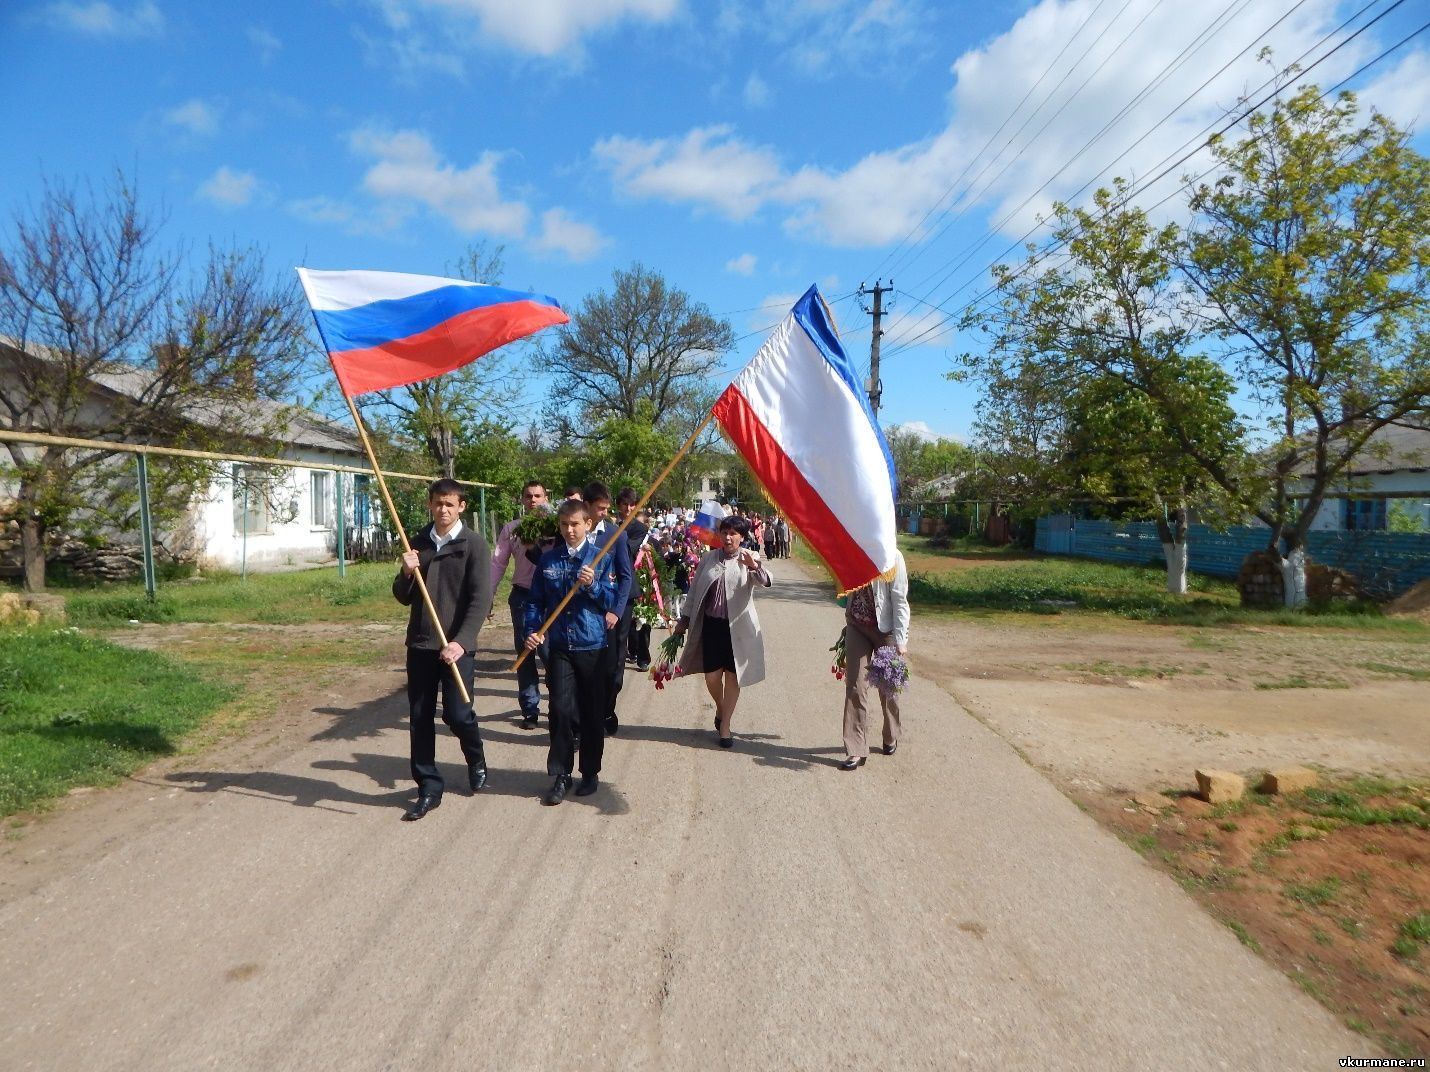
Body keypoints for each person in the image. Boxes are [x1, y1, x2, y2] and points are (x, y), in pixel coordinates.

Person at [393, 478, 493, 821]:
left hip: (456, 647)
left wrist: (461, 642)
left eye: (450, 504)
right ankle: (429, 787)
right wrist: (406, 572)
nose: (443, 509)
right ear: (430, 504)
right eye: (438, 503)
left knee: (458, 713)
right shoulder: (417, 542)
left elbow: (482, 600)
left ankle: (475, 755)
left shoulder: (474, 544)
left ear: (462, 506)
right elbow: (403, 596)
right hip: (421, 643)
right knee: (420, 717)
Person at [523, 498, 617, 805]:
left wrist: (593, 586)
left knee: (591, 713)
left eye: (575, 524)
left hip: (593, 645)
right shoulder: (549, 561)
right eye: (564, 525)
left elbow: (612, 599)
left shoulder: (600, 558)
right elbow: (535, 601)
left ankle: (590, 772)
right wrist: (533, 630)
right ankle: (561, 774)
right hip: (560, 646)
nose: (569, 530)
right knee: (561, 711)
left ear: (588, 524)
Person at [674, 516, 771, 748]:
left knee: (733, 676)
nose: (728, 537)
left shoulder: (750, 557)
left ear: (742, 537)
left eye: (734, 533)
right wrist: (684, 620)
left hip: (737, 628)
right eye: (724, 532)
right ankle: (720, 707)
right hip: (711, 626)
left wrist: (754, 566)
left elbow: (766, 581)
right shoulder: (709, 558)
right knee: (712, 677)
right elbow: (695, 591)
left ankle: (725, 725)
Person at [840, 549, 910, 771]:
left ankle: (891, 734)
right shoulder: (851, 549)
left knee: (888, 686)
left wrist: (901, 639)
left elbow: (900, 599)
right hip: (857, 626)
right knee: (855, 685)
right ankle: (855, 748)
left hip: (885, 629)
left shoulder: (893, 557)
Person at [490, 479, 549, 727]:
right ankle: (529, 708)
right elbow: (498, 562)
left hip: (551, 597)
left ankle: (560, 704)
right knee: (526, 652)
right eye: (528, 496)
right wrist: (488, 594)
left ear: (546, 498)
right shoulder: (512, 529)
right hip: (523, 596)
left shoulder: (557, 527)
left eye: (537, 496)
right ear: (522, 500)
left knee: (551, 654)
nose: (533, 500)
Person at [585, 482, 635, 737]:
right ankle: (584, 719)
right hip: (584, 612)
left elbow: (626, 576)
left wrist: (616, 610)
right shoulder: (573, 532)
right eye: (599, 508)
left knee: (612, 669)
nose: (604, 513)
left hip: (613, 611)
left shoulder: (616, 534)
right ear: (587, 506)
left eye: (606, 508)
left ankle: (607, 709)